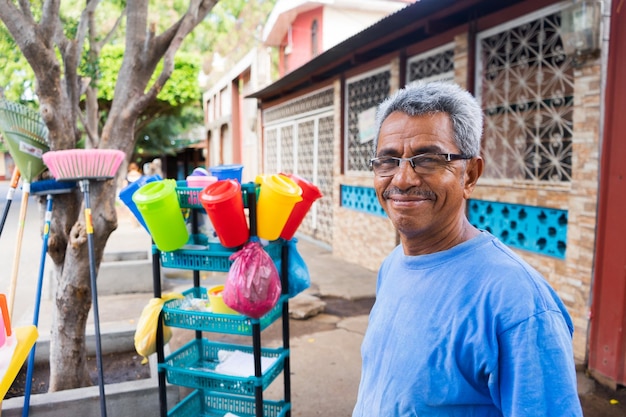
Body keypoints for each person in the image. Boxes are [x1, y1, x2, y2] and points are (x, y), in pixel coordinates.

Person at [352, 81, 582, 416]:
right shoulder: (393, 265)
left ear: (469, 175)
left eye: (428, 159)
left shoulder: (518, 303)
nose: (402, 179)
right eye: (388, 161)